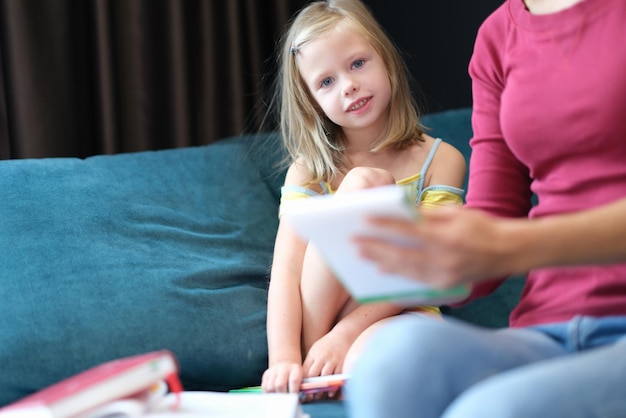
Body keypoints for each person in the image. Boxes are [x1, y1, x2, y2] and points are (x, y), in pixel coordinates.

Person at [346, 0, 626, 416]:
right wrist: (429, 257)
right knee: (391, 361)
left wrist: (508, 245)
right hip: (549, 328)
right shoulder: (499, 37)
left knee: (491, 410)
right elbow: (492, 217)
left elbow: (503, 241)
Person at [260, 0, 467, 396]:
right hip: (320, 321)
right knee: (366, 183)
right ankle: (316, 362)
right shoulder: (310, 170)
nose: (349, 85)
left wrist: (347, 335)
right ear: (311, 102)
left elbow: (428, 272)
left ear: (385, 60)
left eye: (357, 64)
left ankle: (334, 365)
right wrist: (283, 358)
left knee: (370, 371)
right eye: (326, 82)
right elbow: (286, 271)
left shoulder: (440, 160)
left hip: (406, 308)